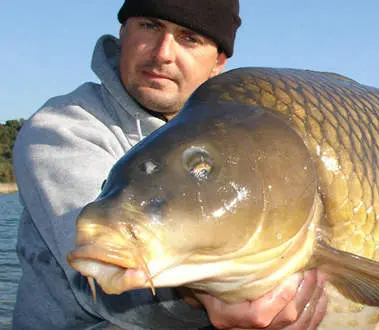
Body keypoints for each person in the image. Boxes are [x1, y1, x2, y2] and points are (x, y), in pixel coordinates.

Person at [11, 1, 327, 329]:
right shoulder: (62, 128)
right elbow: (108, 279)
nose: (163, 53)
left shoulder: (247, 142)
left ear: (219, 61)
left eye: (189, 38)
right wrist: (201, 299)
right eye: (150, 26)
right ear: (123, 32)